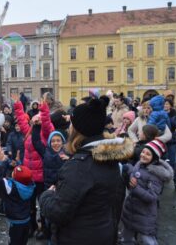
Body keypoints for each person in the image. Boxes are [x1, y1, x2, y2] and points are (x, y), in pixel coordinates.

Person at [39, 96, 134, 245]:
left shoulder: (79, 167)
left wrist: (47, 195)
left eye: (72, 124)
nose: (69, 127)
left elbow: (58, 212)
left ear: (79, 130)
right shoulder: (110, 158)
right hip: (104, 233)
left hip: (78, 237)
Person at [13, 93, 54, 239]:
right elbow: (22, 122)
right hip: (29, 175)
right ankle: (32, 226)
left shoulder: (45, 132)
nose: (34, 123)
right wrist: (18, 105)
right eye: (33, 121)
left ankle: (43, 227)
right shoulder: (29, 132)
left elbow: (48, 122)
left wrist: (44, 109)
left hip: (41, 175)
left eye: (37, 121)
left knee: (42, 203)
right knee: (29, 205)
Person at [121, 139, 173, 245]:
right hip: (131, 208)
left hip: (145, 213)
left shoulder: (156, 175)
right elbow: (136, 175)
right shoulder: (139, 164)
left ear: (154, 158)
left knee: (147, 238)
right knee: (127, 235)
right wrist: (128, 170)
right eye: (143, 152)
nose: (143, 155)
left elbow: (152, 197)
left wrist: (135, 188)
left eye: (148, 154)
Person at [0, 159, 34, 245]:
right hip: (26, 220)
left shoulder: (11, 188)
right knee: (23, 241)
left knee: (14, 242)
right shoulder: (30, 185)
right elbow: (24, 175)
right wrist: (18, 164)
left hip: (14, 222)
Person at [163, 98, 176, 189]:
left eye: (167, 104)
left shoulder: (175, 115)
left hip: (171, 141)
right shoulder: (160, 113)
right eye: (164, 104)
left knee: (172, 161)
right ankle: (162, 180)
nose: (165, 106)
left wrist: (167, 117)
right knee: (161, 160)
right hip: (162, 140)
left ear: (170, 105)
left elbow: (175, 125)